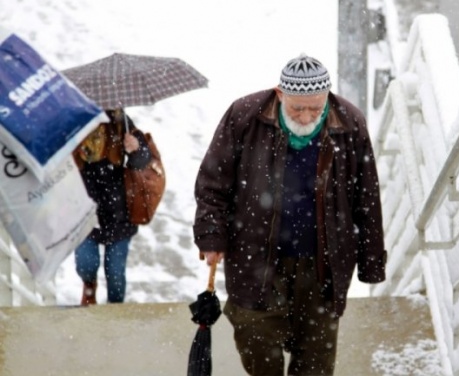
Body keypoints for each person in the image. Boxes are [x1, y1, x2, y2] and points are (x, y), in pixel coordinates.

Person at [193, 54, 387, 376]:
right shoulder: (245, 116)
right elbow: (213, 181)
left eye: (316, 107)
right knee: (257, 348)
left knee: (315, 362)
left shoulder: (349, 122)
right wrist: (211, 235)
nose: (308, 115)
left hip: (323, 266)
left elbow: (366, 198)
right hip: (255, 259)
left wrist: (370, 262)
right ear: (280, 94)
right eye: (298, 107)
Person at [73, 108, 152, 306]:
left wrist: (136, 149)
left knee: (116, 274)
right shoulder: (74, 123)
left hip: (119, 212)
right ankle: (89, 286)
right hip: (84, 210)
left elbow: (143, 160)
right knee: (85, 263)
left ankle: (116, 313)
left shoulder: (120, 122)